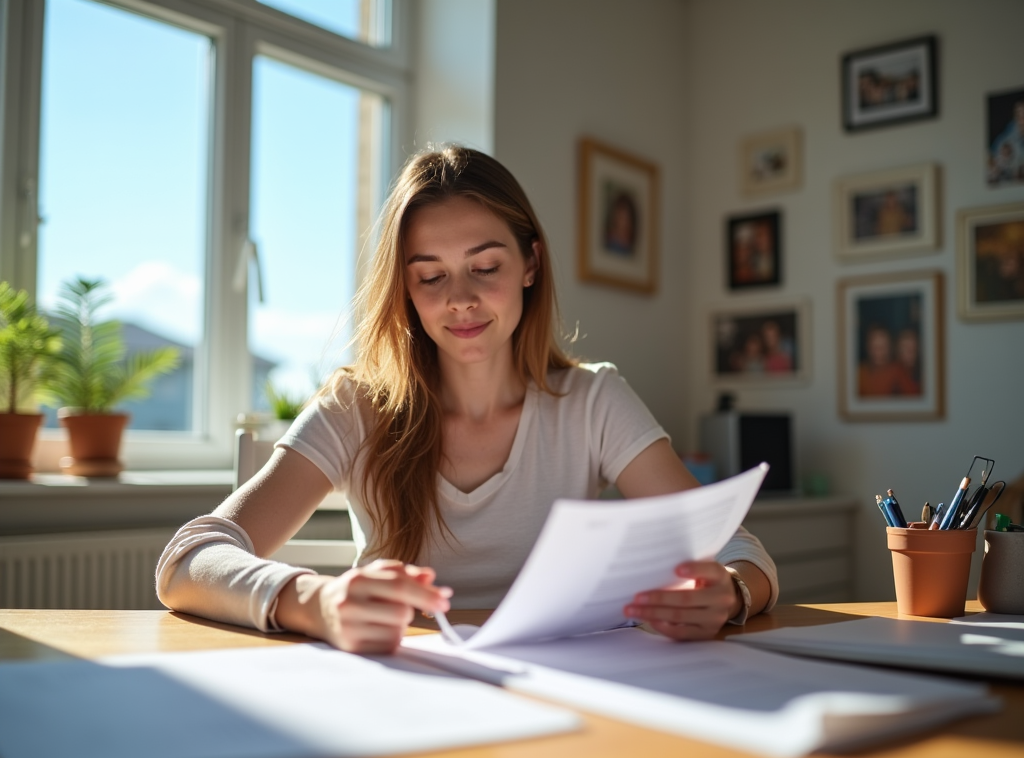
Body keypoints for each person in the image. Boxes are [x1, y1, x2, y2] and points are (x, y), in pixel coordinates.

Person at [156, 146, 777, 654]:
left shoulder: (593, 399)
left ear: (531, 263)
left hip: (571, 696)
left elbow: (738, 547)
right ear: (405, 287)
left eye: (485, 266)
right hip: (404, 688)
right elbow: (187, 560)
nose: (460, 299)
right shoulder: (358, 405)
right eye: (431, 276)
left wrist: (729, 590)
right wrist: (315, 600)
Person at [857, 324, 919, 397]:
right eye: (875, 347)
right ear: (868, 347)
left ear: (889, 348)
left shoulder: (897, 370)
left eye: (883, 347)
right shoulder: (860, 372)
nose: (879, 353)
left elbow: (915, 396)